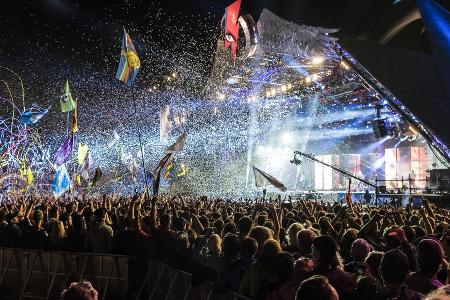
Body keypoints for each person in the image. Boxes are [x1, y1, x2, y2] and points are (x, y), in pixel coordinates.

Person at [312, 235, 354, 300]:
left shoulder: (320, 281)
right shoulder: (342, 274)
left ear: (318, 254)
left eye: (313, 249)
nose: (311, 254)